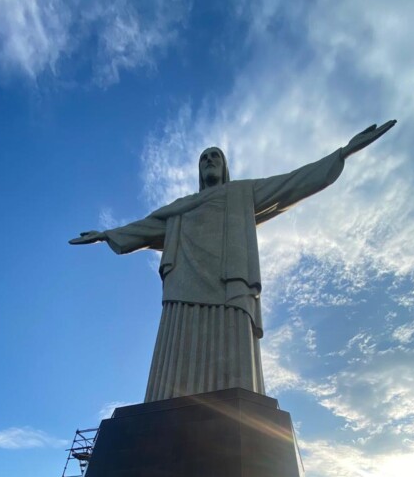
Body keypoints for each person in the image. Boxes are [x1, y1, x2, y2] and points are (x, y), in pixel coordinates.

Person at [70, 121, 396, 402]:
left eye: (215, 156)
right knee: (177, 353)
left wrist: (342, 154)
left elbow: (292, 183)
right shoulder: (180, 208)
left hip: (230, 284)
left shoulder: (242, 193)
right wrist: (105, 234)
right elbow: (142, 228)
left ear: (224, 167)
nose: (210, 161)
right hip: (183, 285)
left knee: (234, 362)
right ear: (199, 170)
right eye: (204, 158)